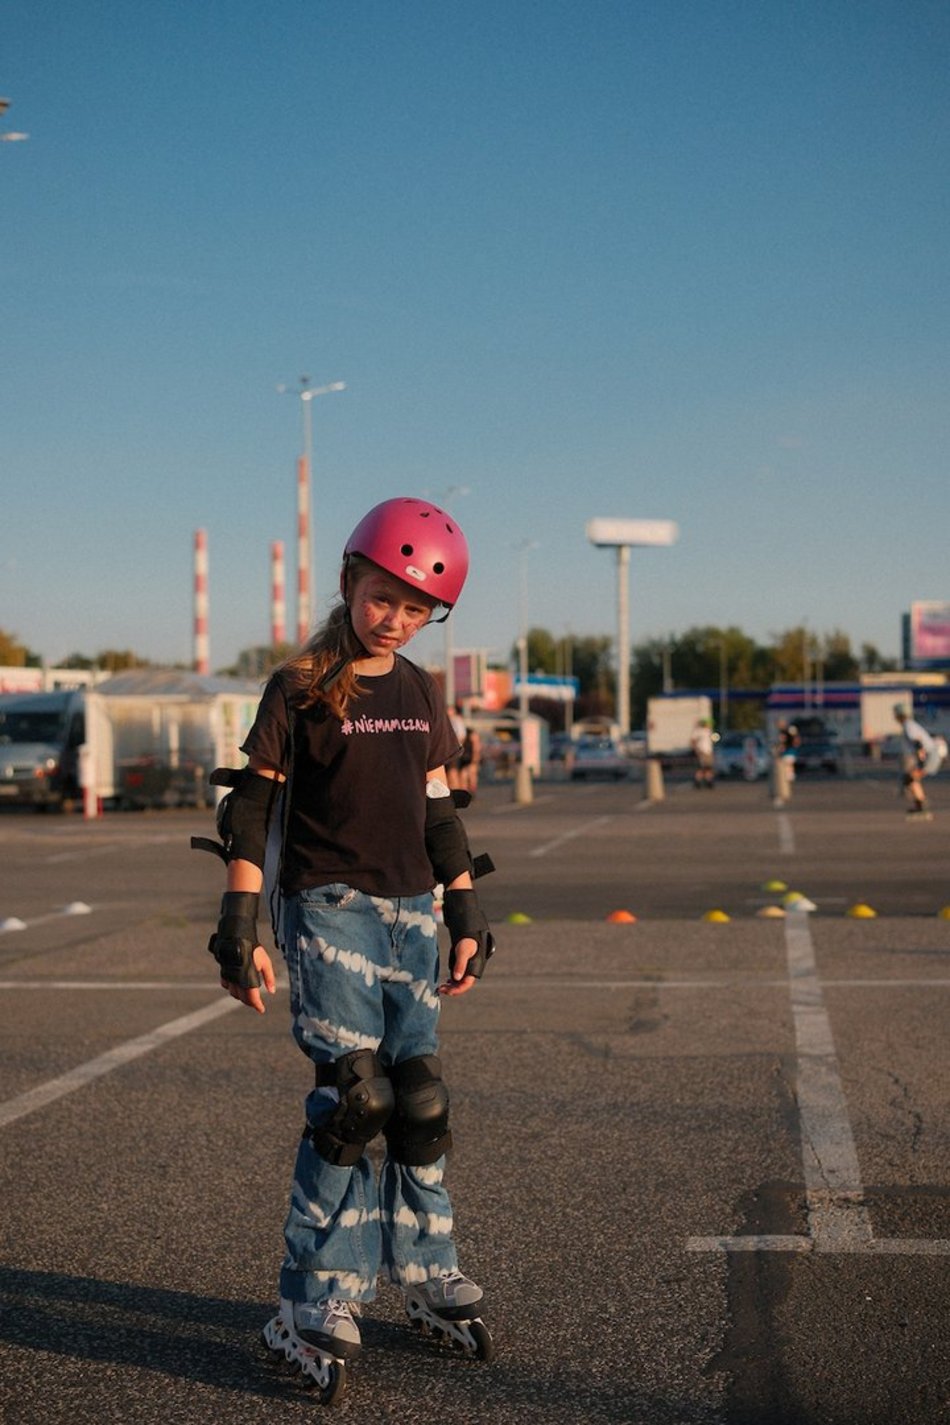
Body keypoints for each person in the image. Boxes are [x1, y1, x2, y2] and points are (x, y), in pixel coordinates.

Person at [196, 497, 496, 1400]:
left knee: (420, 1099)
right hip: (328, 908)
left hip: (411, 910)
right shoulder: (298, 685)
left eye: (417, 608)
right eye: (385, 596)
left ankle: (428, 1272)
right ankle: (309, 1300)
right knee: (351, 1098)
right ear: (350, 581)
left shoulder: (418, 690)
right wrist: (240, 921)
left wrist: (468, 909)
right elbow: (250, 807)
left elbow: (439, 808)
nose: (397, 618)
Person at [894, 702, 937, 820]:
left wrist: (921, 760)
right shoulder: (909, 725)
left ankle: (922, 804)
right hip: (928, 754)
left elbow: (917, 743)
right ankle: (920, 804)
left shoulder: (909, 726)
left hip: (929, 755)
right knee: (911, 778)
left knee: (910, 778)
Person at [690, 717, 715, 788]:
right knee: (701, 768)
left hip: (708, 751)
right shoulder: (698, 731)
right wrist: (696, 750)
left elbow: (711, 741)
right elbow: (693, 741)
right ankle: (698, 781)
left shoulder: (708, 731)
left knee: (708, 767)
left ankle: (709, 781)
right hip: (702, 751)